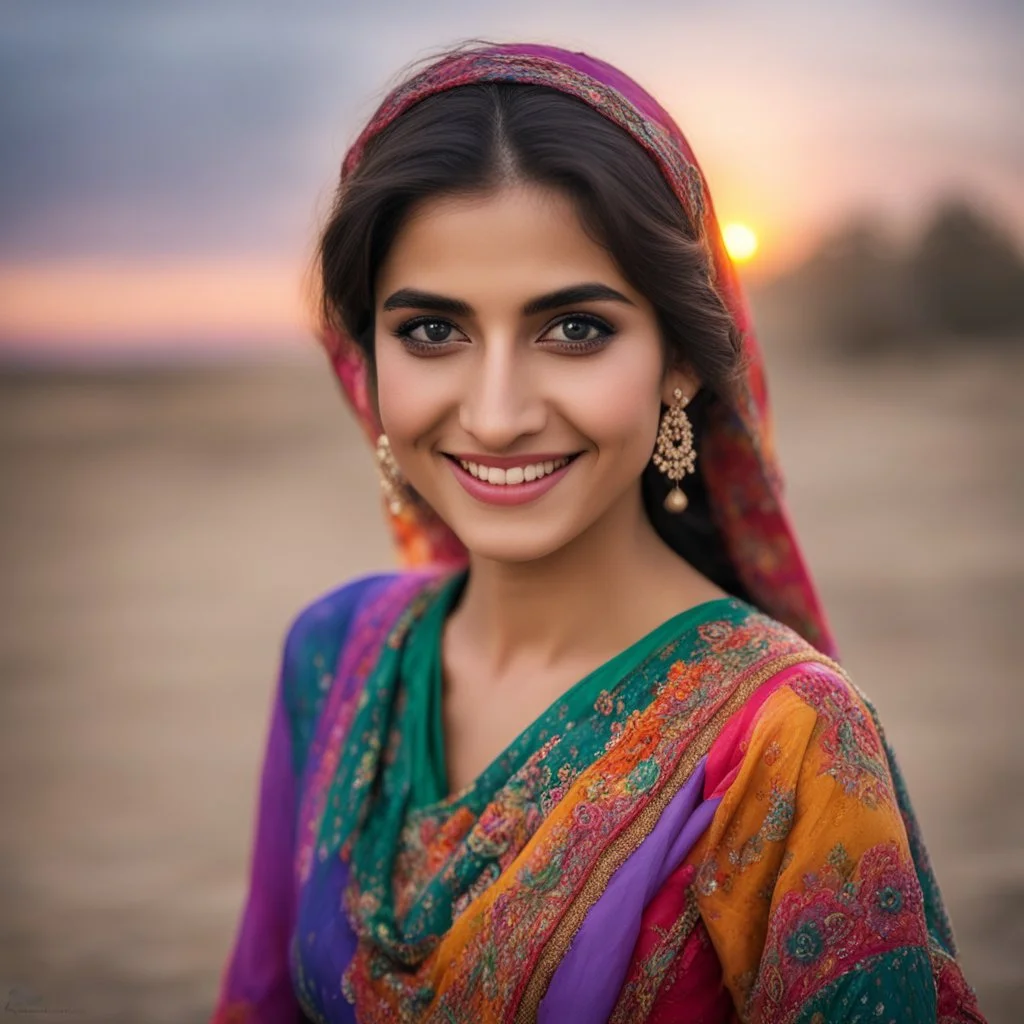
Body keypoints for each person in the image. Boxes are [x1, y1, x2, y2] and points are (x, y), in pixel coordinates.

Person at [211, 43, 986, 1023]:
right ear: (366, 360)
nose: (494, 415)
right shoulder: (336, 656)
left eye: (572, 329)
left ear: (678, 365)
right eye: (431, 332)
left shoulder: (780, 741)